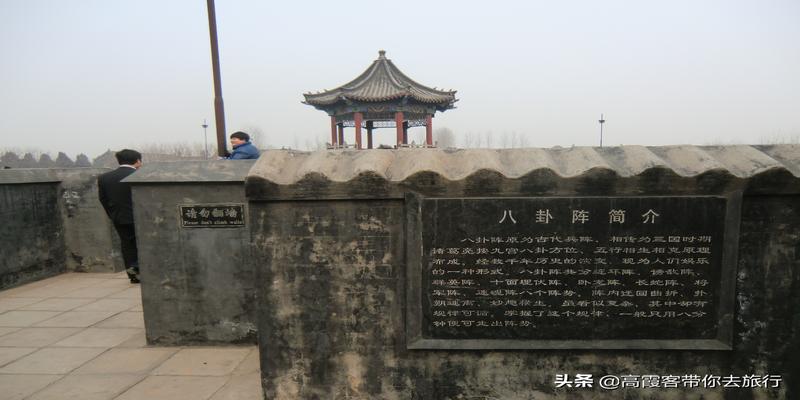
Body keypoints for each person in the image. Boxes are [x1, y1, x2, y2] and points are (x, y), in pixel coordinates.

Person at [98, 149, 142, 283]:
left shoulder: (105, 177)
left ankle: (133, 274)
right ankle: (140, 269)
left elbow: (103, 199)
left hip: (119, 218)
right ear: (137, 161)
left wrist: (112, 215)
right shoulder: (139, 175)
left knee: (127, 244)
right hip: (140, 217)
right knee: (143, 244)